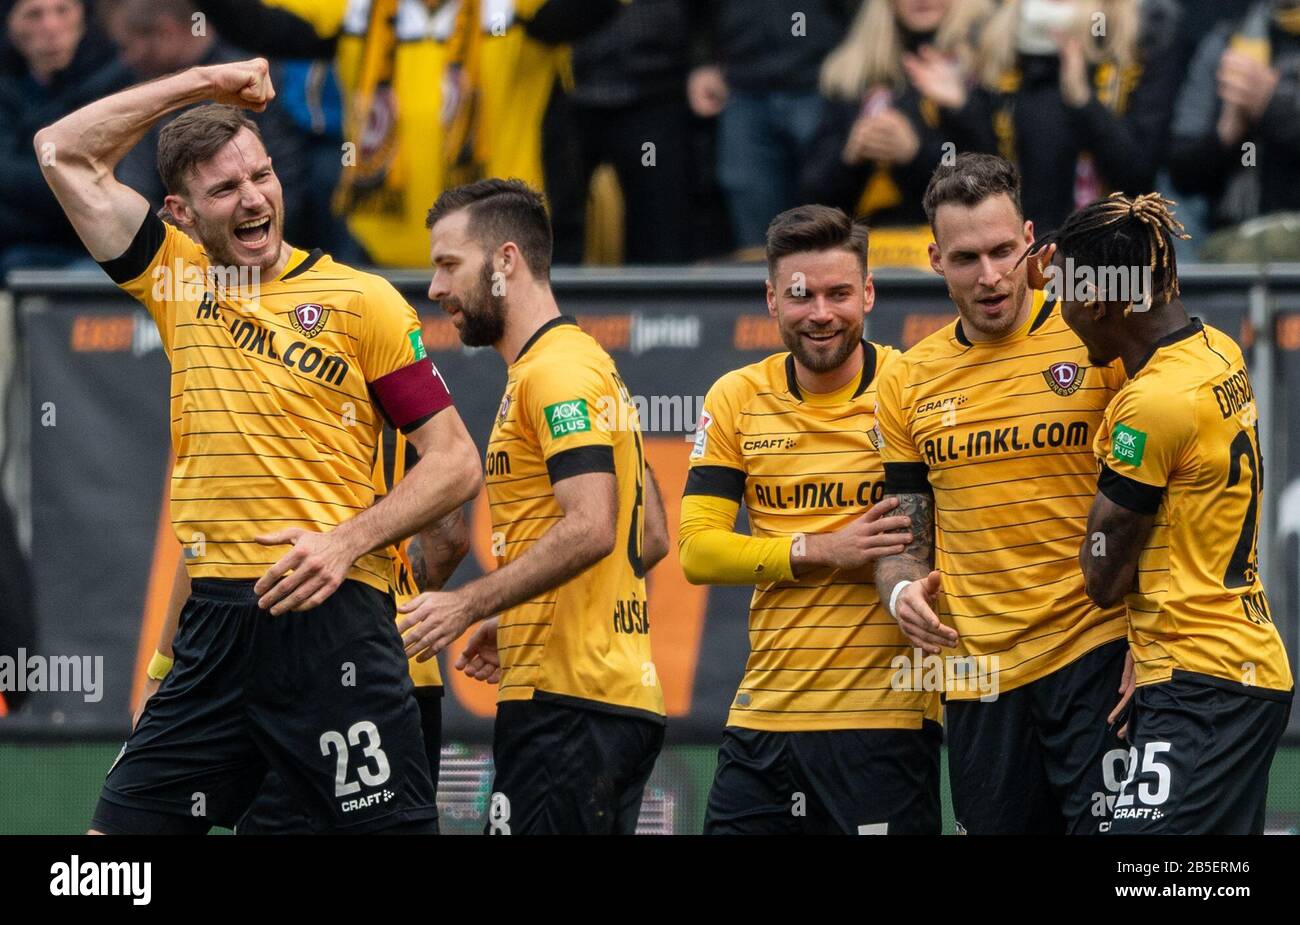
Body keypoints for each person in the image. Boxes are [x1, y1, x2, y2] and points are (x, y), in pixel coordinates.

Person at [36, 58, 482, 833]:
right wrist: (203, 81)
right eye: (225, 189)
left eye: (262, 176)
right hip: (214, 632)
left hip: (333, 623)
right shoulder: (174, 279)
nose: (253, 199)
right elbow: (61, 152)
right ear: (180, 212)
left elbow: (454, 462)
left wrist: (347, 542)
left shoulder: (362, 300)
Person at [402, 178, 671, 834]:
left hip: (569, 705)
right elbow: (654, 534)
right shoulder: (586, 363)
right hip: (602, 698)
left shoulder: (556, 373)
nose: (435, 289)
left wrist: (470, 603)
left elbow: (593, 526)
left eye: (448, 265)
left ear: (506, 262)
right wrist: (526, 607)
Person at [873, 153, 1130, 834]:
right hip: (978, 677)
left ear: (1030, 242)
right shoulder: (908, 378)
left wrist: (1152, 639)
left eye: (1001, 251)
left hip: (1094, 654)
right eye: (966, 258)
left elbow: (1159, 500)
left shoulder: (1097, 336)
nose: (988, 277)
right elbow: (906, 530)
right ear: (934, 258)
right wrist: (901, 594)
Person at [1033, 191, 1294, 833]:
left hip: (1201, 676)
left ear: (1095, 301)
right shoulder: (1217, 351)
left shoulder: (1148, 405)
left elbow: (1101, 578)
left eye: (1063, 296)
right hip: (1238, 663)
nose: (1058, 312)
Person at [678, 204, 942, 834]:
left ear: (869, 294)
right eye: (800, 294)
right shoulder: (736, 396)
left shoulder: (914, 387)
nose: (820, 313)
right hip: (763, 720)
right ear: (772, 299)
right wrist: (823, 549)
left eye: (838, 293)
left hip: (886, 722)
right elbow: (697, 553)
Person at [134, 428, 471, 834]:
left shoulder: (258, 405)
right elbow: (448, 540)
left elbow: (207, 553)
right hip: (402, 670)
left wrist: (161, 668)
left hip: (291, 659)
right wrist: (389, 609)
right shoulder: (402, 397)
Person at [800, 0, 994, 267]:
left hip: (961, 257)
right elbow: (812, 202)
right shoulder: (852, 75)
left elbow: (999, 185)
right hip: (866, 254)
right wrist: (850, 157)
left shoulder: (991, 68)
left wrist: (917, 152)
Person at [971, 0, 1182, 232]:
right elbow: (981, 179)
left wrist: (1083, 101)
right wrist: (961, 112)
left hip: (1116, 244)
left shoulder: (1146, 33)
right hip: (1030, 242)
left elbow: (1138, 175)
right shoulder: (997, 43)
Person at [0, 0, 130, 278]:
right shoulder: (8, 88)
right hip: (19, 251)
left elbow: (105, 186)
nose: (50, 27)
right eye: (33, 15)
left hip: (104, 252)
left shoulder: (119, 76)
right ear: (10, 24)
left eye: (63, 11)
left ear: (82, 15)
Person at [1167, 0, 1300, 260]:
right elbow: (1180, 171)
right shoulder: (1227, 41)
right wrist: (1225, 134)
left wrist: (1271, 104)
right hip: (1232, 235)